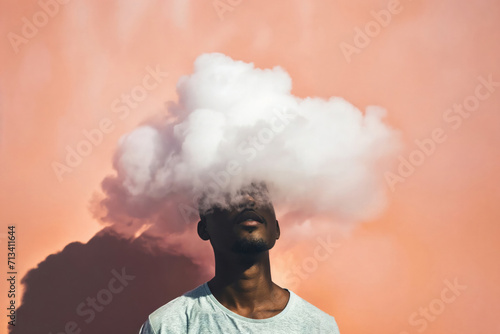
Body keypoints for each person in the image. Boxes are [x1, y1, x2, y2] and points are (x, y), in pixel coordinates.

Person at [139, 183, 341, 333]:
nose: (249, 200)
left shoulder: (319, 327)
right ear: (204, 228)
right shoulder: (168, 326)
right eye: (229, 192)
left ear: (276, 228)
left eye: (260, 194)